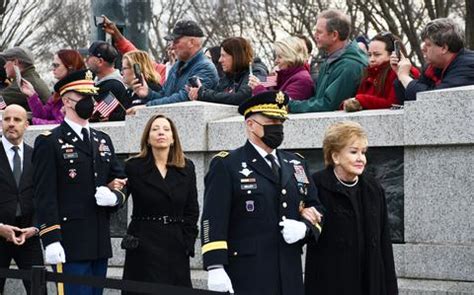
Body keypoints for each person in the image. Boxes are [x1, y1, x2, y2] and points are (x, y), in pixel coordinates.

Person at [201, 90, 324, 295]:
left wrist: (305, 228)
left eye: (281, 122)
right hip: (248, 274)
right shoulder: (228, 164)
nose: (277, 127)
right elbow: (213, 219)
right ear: (250, 124)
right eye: (271, 121)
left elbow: (316, 207)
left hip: (289, 273)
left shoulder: (296, 163)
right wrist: (215, 266)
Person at [32, 69, 127, 295]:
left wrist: (115, 197)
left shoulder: (101, 140)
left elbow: (121, 178)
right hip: (69, 243)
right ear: (67, 100)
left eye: (92, 97)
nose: (90, 102)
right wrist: (51, 238)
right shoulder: (50, 141)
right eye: (84, 97)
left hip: (99, 242)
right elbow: (44, 194)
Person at [302, 121, 398, 295]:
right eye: (353, 152)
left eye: (363, 152)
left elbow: (385, 245)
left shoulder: (373, 188)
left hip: (370, 282)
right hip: (331, 283)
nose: (361, 158)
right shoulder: (316, 186)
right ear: (335, 157)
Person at [122, 114, 199, 292]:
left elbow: (192, 209)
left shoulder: (186, 167)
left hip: (175, 245)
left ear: (173, 138)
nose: (160, 133)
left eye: (166, 129)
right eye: (155, 129)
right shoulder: (133, 167)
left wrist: (187, 241)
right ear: (148, 139)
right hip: (143, 245)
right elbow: (121, 198)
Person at [127, 19, 218, 114]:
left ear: (191, 42)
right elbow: (165, 96)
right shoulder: (176, 67)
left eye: (176, 41)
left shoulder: (205, 68)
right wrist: (148, 93)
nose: (172, 46)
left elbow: (183, 99)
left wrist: (147, 107)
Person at [0, 105, 44, 295]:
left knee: (39, 290)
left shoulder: (36, 156)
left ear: (27, 125)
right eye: (6, 119)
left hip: (29, 235)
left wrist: (35, 228)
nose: (11, 124)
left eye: (17, 120)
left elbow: (43, 196)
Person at [288, 9, 368, 113]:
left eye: (319, 32)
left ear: (334, 35)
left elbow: (329, 105)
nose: (315, 35)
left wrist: (291, 106)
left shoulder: (350, 66)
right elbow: (319, 100)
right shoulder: (331, 61)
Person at [391, 17, 474, 101]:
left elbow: (436, 99)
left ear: (444, 48)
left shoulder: (468, 66)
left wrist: (404, 77)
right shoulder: (433, 68)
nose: (423, 48)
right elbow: (408, 101)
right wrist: (400, 73)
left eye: (428, 44)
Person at [342, 32, 420, 111]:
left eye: (377, 54)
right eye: (369, 55)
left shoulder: (400, 72)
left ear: (393, 55)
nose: (371, 59)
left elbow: (393, 104)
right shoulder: (369, 74)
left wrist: (361, 100)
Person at [187, 37, 266, 106]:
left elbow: (241, 98)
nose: (220, 60)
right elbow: (217, 95)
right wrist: (197, 94)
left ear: (236, 57)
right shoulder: (229, 75)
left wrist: (203, 93)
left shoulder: (259, 73)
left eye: (223, 56)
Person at [20, 49, 86, 124]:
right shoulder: (60, 90)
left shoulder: (77, 92)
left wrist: (32, 121)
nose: (53, 69)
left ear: (70, 67)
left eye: (56, 65)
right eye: (53, 65)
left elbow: (63, 124)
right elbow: (44, 115)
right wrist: (32, 95)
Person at [100, 15, 168, 85]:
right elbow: (138, 58)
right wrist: (115, 33)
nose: (171, 49)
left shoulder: (169, 73)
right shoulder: (162, 69)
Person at [249, 36, 314, 100]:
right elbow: (266, 84)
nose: (276, 61)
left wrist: (258, 88)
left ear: (291, 57)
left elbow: (280, 103)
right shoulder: (284, 75)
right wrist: (258, 81)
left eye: (280, 57)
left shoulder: (302, 80)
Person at [86, 41, 128, 122]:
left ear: (100, 61)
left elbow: (96, 116)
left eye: (89, 56)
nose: (87, 60)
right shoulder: (96, 81)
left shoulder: (114, 85)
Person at [0, 47, 50, 111]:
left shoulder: (23, 84)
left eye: (6, 62)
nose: (4, 66)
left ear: (15, 62)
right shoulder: (31, 78)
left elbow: (1, 103)